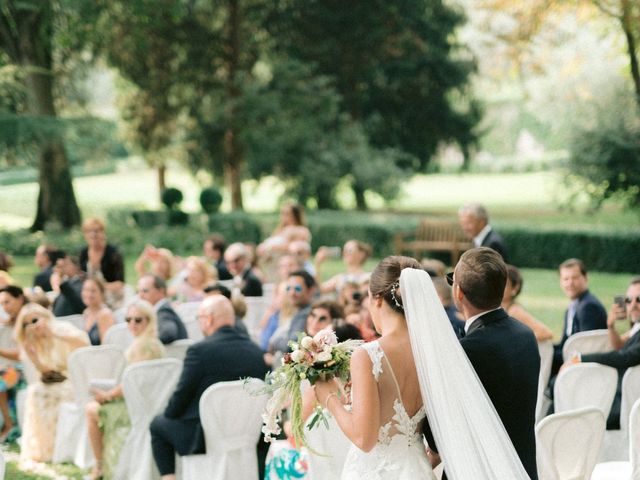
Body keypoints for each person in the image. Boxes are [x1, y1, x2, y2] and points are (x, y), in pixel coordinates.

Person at [314, 255, 436, 479]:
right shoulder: (433, 351)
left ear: (377, 299)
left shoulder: (368, 355)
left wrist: (327, 397)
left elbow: (364, 439)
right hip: (418, 468)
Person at [149, 295, 269, 480]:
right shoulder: (255, 351)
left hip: (204, 439)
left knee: (158, 424)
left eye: (199, 319)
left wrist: (171, 413)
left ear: (209, 319)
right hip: (247, 434)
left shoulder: (199, 351)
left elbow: (178, 403)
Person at [85, 300, 165, 480]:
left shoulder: (144, 346)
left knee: (91, 410)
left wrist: (106, 396)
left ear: (149, 320)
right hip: (148, 403)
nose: (132, 324)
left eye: (138, 320)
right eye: (128, 319)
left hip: (136, 408)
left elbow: (133, 384)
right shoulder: (153, 343)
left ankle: (99, 466)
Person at [563, 276, 640, 429]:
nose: (633, 305)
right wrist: (610, 325)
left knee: (573, 407)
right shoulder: (637, 327)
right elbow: (620, 347)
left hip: (626, 402)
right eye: (628, 300)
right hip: (617, 391)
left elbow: (624, 357)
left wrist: (579, 359)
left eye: (639, 300)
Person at [16, 303, 90, 462]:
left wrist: (54, 334)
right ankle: (45, 448)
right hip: (54, 380)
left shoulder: (62, 328)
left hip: (74, 377)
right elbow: (47, 372)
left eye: (35, 320)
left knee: (56, 394)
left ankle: (61, 447)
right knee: (36, 392)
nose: (33, 325)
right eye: (27, 323)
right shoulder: (33, 341)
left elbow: (85, 344)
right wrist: (35, 359)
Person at [552, 258, 607, 374]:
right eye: (565, 279)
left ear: (586, 278)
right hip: (571, 358)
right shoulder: (573, 307)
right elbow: (564, 344)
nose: (570, 283)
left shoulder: (589, 307)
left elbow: (586, 347)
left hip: (583, 369)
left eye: (575, 278)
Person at [265, 270, 316, 367]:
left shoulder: (306, 314)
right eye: (288, 288)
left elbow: (291, 345)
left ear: (311, 290)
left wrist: (274, 343)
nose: (292, 293)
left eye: (297, 288)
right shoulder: (300, 311)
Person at [0, 286, 27, 442]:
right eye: (2, 304)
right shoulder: (12, 321)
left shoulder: (27, 320)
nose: (5, 307)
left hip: (26, 370)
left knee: (0, 381)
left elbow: (21, 355)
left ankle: (10, 425)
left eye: (7, 302)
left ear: (20, 299)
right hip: (11, 369)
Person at [502, 265, 553, 342]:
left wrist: (516, 343)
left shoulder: (514, 310)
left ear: (515, 288)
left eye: (504, 284)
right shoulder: (500, 308)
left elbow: (545, 333)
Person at [79, 218, 125, 302]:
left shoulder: (113, 253)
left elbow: (120, 283)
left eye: (96, 231)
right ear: (85, 234)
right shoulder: (83, 253)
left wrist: (98, 287)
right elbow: (81, 277)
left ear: (103, 233)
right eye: (89, 231)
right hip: (89, 296)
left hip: (112, 296)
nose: (93, 234)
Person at [138, 275, 188, 344]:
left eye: (145, 291)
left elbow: (168, 334)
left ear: (161, 291)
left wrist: (146, 341)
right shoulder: (163, 309)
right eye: (139, 291)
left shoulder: (164, 312)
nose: (140, 296)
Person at [81, 278, 116, 345]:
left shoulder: (105, 314)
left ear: (101, 293)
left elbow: (106, 346)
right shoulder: (86, 312)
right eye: (86, 290)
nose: (89, 294)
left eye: (93, 291)